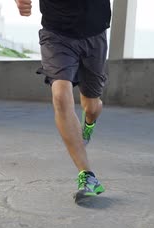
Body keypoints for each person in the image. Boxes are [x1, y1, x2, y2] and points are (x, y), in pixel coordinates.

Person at [15, 0, 112, 202]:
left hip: (94, 34)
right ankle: (87, 176)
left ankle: (89, 123)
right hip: (56, 34)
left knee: (92, 106)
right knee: (60, 95)